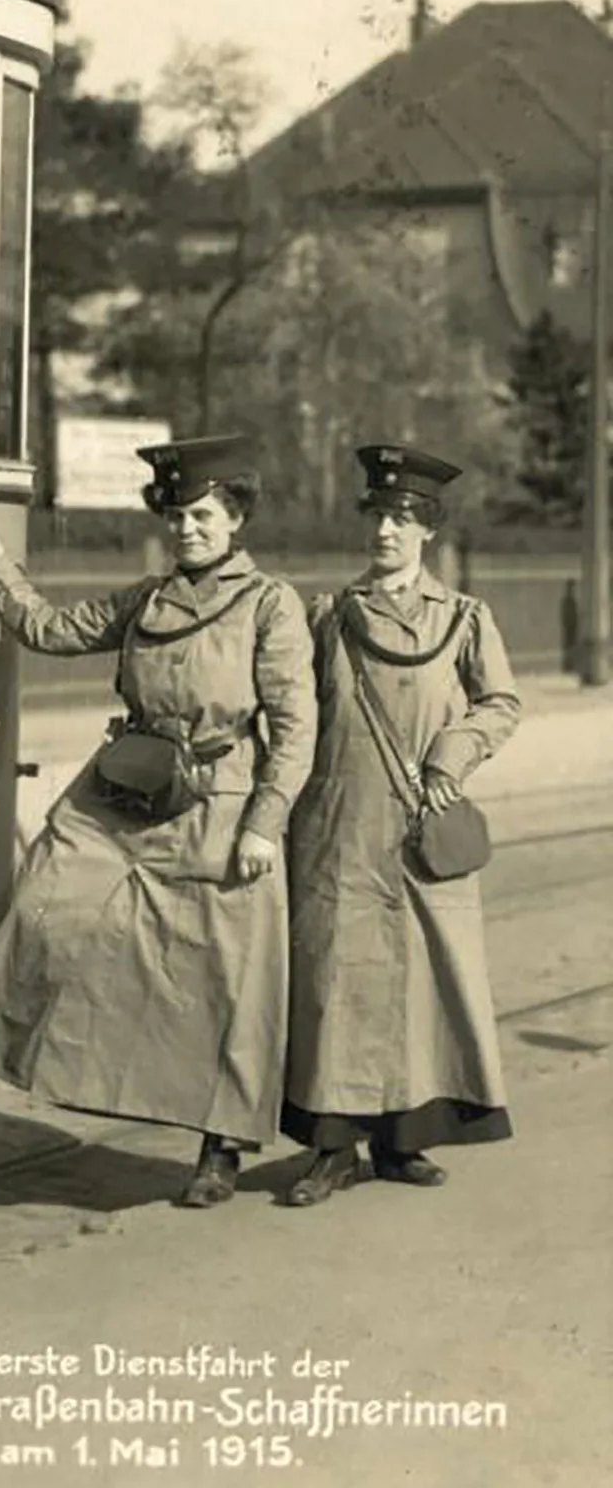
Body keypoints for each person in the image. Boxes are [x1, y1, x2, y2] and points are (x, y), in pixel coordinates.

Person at [0, 435, 317, 1205]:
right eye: (177, 516)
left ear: (235, 518)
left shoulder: (270, 604)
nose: (187, 529)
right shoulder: (145, 600)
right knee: (46, 898)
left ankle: (220, 1148)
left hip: (219, 804)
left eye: (203, 515)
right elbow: (45, 628)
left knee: (223, 981)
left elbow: (296, 728)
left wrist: (264, 825)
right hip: (125, 792)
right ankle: (5, 1035)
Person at [282, 444, 521, 1206]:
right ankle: (333, 1149)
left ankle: (401, 1142)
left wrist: (452, 755)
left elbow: (501, 703)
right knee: (335, 983)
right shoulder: (327, 616)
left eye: (403, 518)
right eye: (378, 515)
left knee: (420, 984)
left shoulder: (465, 619)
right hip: (339, 829)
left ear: (428, 532)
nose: (386, 530)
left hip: (420, 830)